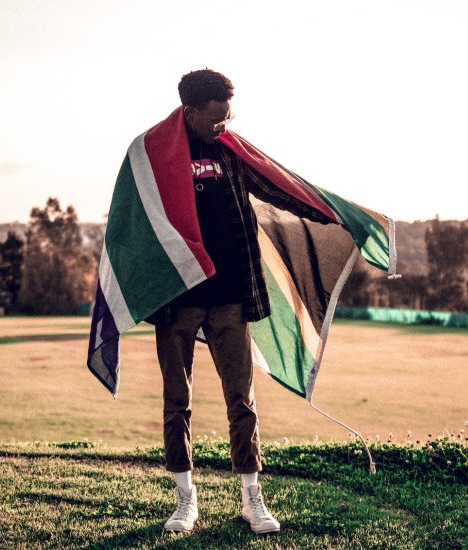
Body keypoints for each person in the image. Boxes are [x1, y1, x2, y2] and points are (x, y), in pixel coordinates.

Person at [154, 69, 330, 535]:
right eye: (215, 119)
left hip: (231, 296)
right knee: (177, 401)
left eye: (228, 117)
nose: (223, 127)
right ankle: (185, 501)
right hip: (178, 300)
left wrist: (335, 214)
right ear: (190, 112)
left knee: (242, 401)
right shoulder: (153, 154)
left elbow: (280, 187)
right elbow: (134, 226)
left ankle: (252, 500)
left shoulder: (233, 151)